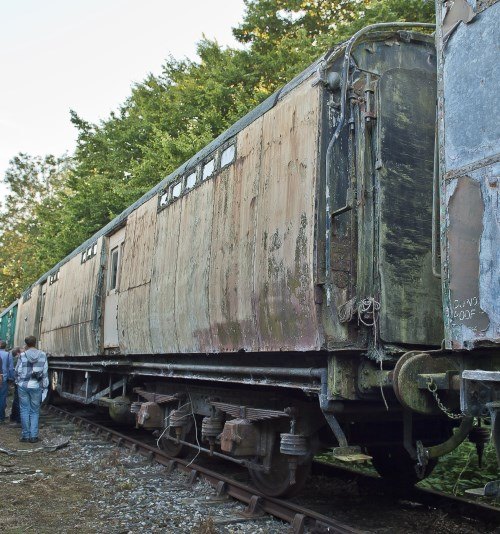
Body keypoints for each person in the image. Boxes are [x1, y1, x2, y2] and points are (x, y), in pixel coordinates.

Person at [15, 336, 48, 443]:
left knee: (24, 410)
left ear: (26, 344)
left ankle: (25, 436)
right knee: (35, 411)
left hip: (23, 386)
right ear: (35, 343)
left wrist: (18, 381)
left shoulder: (22, 355)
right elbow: (45, 372)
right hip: (36, 386)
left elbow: (17, 371)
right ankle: (34, 436)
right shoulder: (43, 355)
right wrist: (44, 386)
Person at [0, 340, 14, 423]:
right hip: (3, 379)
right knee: (2, 398)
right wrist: (12, 378)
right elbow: (11, 367)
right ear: (5, 346)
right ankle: (1, 418)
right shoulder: (8, 354)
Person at [9, 347, 22, 424]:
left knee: (16, 400)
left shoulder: (13, 359)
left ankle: (13, 416)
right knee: (18, 401)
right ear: (18, 353)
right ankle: (17, 418)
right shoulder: (18, 359)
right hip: (19, 381)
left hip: (16, 381)